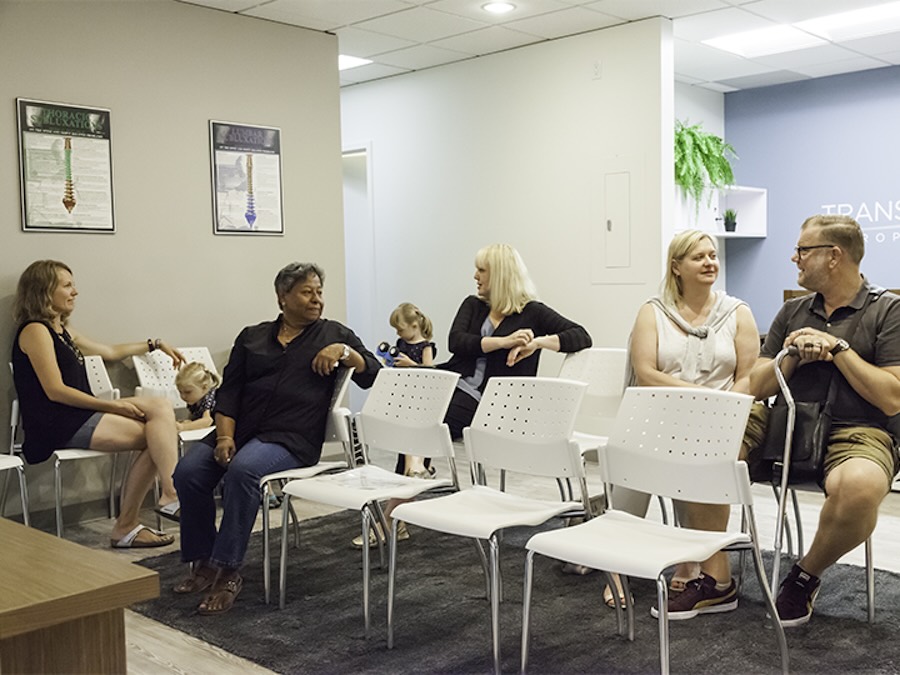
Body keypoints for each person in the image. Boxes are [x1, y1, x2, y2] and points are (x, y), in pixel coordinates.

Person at [172, 262, 380, 615]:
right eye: (307, 292)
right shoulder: (252, 336)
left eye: (319, 292)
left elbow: (372, 373)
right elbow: (230, 392)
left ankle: (228, 570)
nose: (317, 300)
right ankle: (203, 560)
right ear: (283, 297)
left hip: (291, 438)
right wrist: (224, 437)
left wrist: (345, 353)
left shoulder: (333, 333)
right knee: (188, 472)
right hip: (239, 429)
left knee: (243, 471)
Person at [748, 214, 900, 627]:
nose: (794, 258)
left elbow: (891, 398)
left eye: (803, 250)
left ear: (834, 256)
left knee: (861, 486)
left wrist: (838, 349)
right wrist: (792, 353)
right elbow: (756, 386)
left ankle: (804, 575)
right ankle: (711, 574)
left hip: (858, 431)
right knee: (701, 442)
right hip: (784, 421)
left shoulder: (888, 310)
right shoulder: (792, 311)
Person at [617, 230, 760, 617]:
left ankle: (692, 561)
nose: (710, 262)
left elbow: (749, 374)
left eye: (713, 255)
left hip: (720, 418)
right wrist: (696, 398)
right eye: (699, 257)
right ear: (676, 267)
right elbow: (645, 371)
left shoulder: (737, 312)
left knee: (700, 449)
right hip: (661, 410)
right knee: (635, 457)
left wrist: (720, 408)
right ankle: (615, 565)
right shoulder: (653, 310)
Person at [11, 259, 184, 548]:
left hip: (78, 414)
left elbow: (111, 351)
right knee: (157, 436)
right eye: (67, 285)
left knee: (160, 408)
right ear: (43, 291)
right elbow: (55, 391)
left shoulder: (63, 331)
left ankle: (169, 494)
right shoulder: (35, 331)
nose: (75, 292)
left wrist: (155, 343)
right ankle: (135, 520)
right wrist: (113, 406)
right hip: (55, 423)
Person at [440, 243, 593, 438]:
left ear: (498, 275)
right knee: (410, 402)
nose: (475, 276)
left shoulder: (533, 312)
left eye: (481, 270)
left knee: (431, 418)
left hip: (492, 401)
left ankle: (415, 467)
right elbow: (456, 342)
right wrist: (503, 342)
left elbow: (581, 336)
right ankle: (415, 468)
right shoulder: (473, 305)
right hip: (456, 383)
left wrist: (537, 343)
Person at [389, 302, 436, 369]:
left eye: (401, 330)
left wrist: (410, 364)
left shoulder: (425, 347)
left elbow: (429, 371)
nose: (397, 333)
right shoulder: (400, 342)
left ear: (414, 326)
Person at [175, 362, 219, 433]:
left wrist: (183, 427)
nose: (183, 396)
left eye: (188, 392)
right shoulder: (194, 399)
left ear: (204, 387)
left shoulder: (209, 398)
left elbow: (207, 421)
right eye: (180, 392)